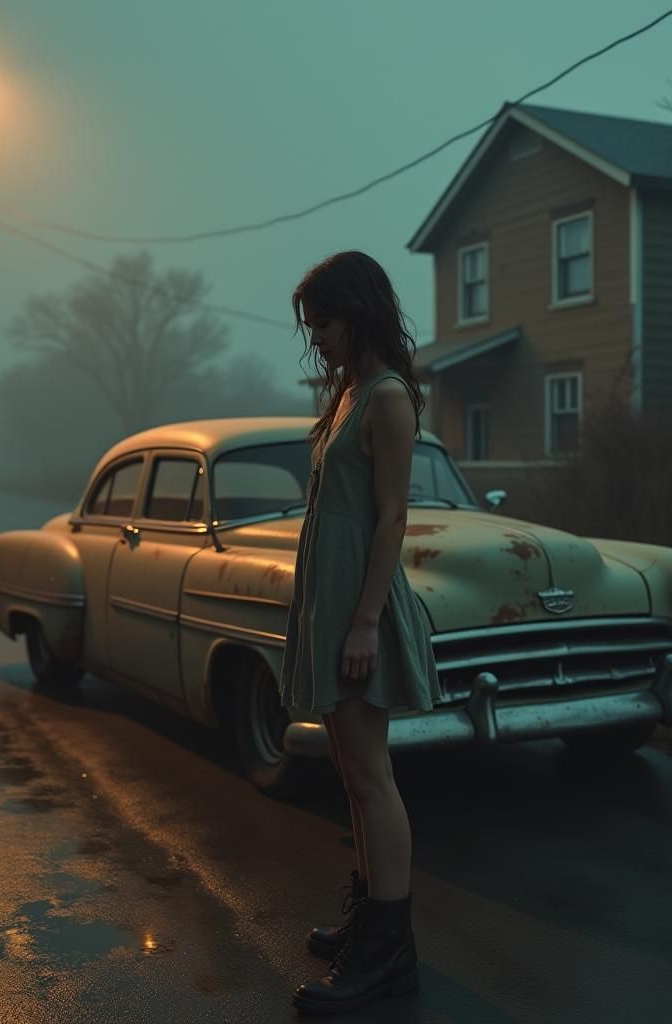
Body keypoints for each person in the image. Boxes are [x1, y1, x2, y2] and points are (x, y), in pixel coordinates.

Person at [279, 250, 442, 1015]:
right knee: (351, 770)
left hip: (360, 609)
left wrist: (366, 622)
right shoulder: (346, 393)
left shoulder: (387, 398)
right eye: (313, 329)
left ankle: (388, 957)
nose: (320, 340)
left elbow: (392, 519)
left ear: (360, 312)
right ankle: (370, 923)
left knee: (373, 775)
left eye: (326, 324)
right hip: (333, 600)